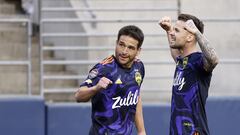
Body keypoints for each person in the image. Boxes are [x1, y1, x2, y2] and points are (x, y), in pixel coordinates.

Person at [75, 25, 146, 135]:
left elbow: (136, 95)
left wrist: (141, 131)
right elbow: (78, 96)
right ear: (116, 43)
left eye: (130, 48)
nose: (124, 51)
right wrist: (96, 88)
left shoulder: (139, 67)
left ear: (138, 51)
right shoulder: (103, 68)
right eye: (121, 45)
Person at [159, 14, 219, 135]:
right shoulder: (182, 61)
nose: (172, 33)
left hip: (193, 131)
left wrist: (197, 32)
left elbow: (214, 59)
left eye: (177, 30)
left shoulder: (199, 61)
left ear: (190, 37)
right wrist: (169, 30)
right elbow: (175, 53)